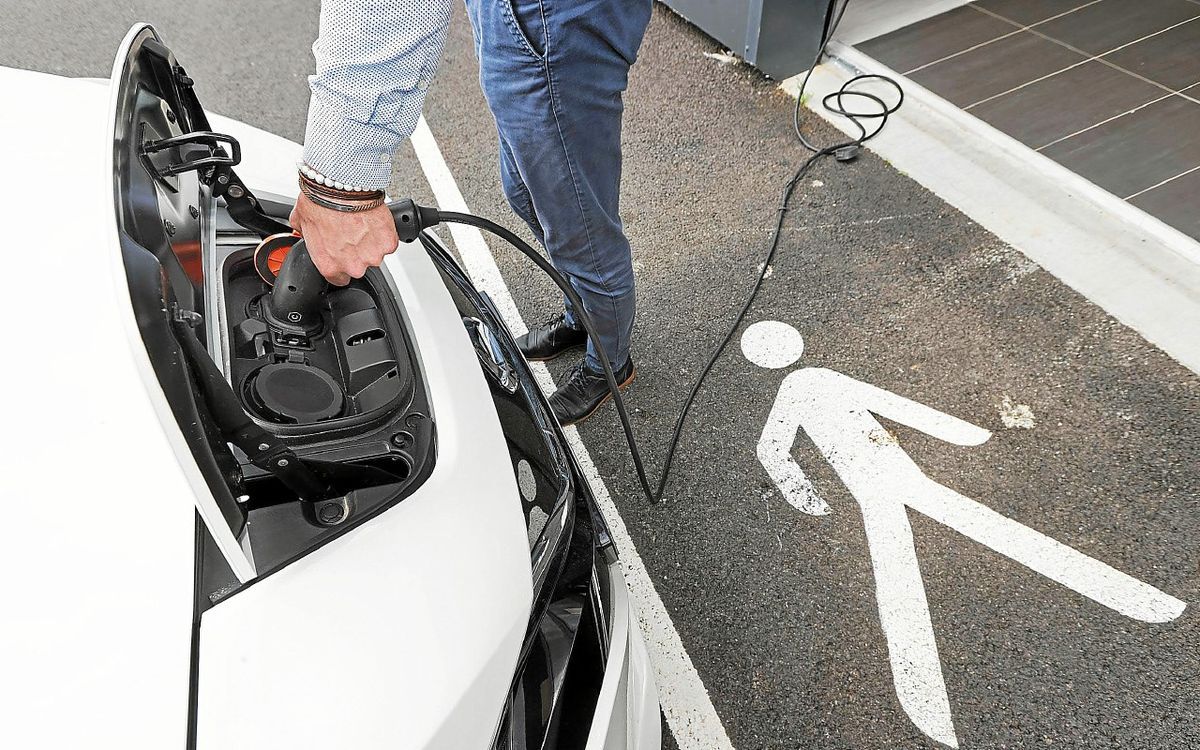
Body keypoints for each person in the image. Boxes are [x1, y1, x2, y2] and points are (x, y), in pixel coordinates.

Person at [289, 0, 653, 426]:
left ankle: (608, 364)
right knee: (526, 195)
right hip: (510, 20)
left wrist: (339, 181)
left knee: (582, 233)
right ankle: (584, 315)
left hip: (552, 24)